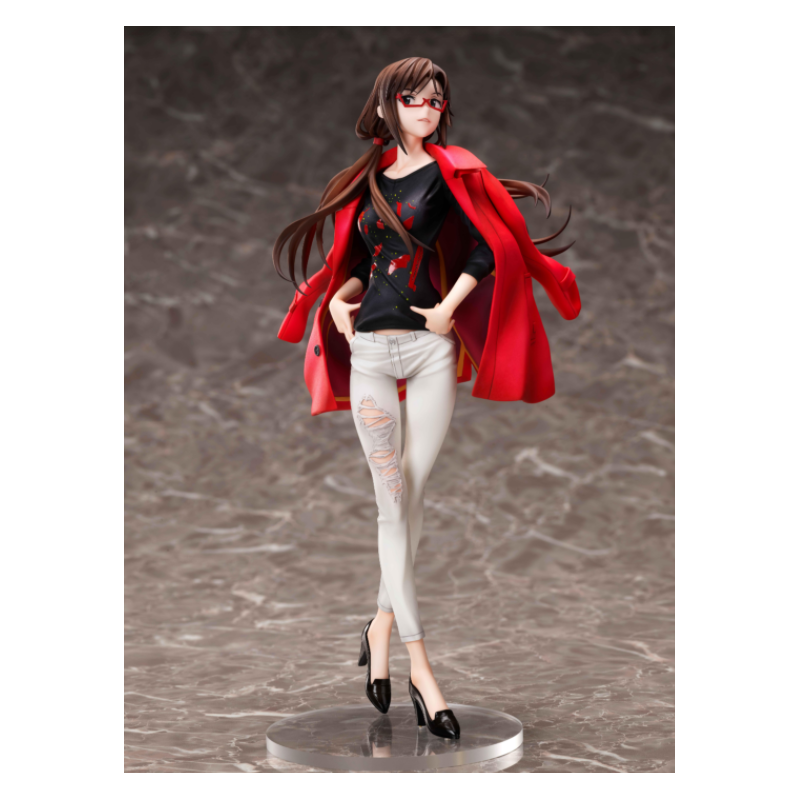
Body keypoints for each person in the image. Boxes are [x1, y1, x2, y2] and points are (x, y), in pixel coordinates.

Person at [274, 57, 581, 740]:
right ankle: (422, 669)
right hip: (371, 354)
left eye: (437, 100)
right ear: (388, 104)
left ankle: (378, 628)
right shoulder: (364, 181)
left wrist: (449, 308)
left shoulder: (453, 172)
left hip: (431, 351)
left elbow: (487, 247)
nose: (427, 108)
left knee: (410, 499)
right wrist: (341, 301)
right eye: (414, 98)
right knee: (393, 504)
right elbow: (363, 265)